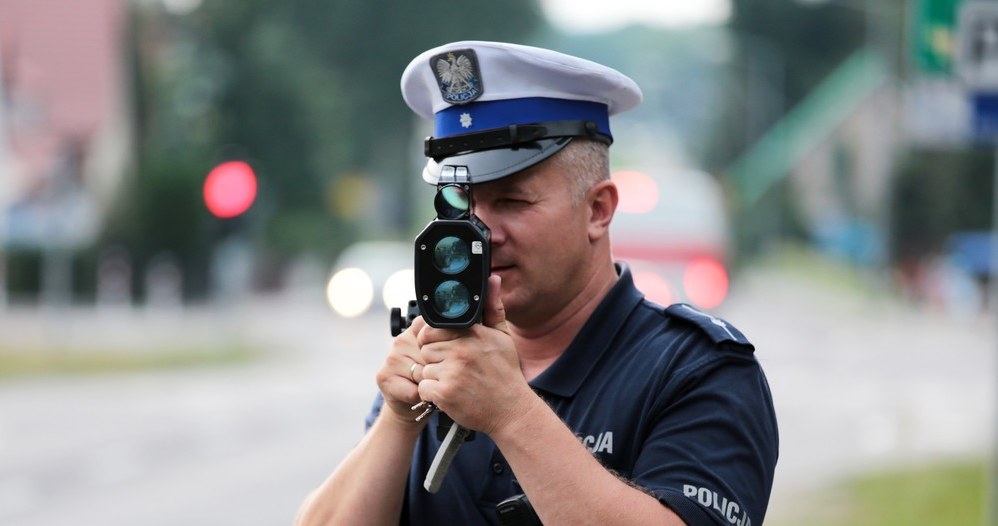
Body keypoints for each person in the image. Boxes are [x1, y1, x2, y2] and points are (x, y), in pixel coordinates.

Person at [296, 40, 778, 526]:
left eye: (512, 202)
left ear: (598, 210)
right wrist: (397, 422)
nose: (480, 234)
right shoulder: (438, 355)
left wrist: (512, 413)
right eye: (459, 205)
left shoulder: (697, 371)